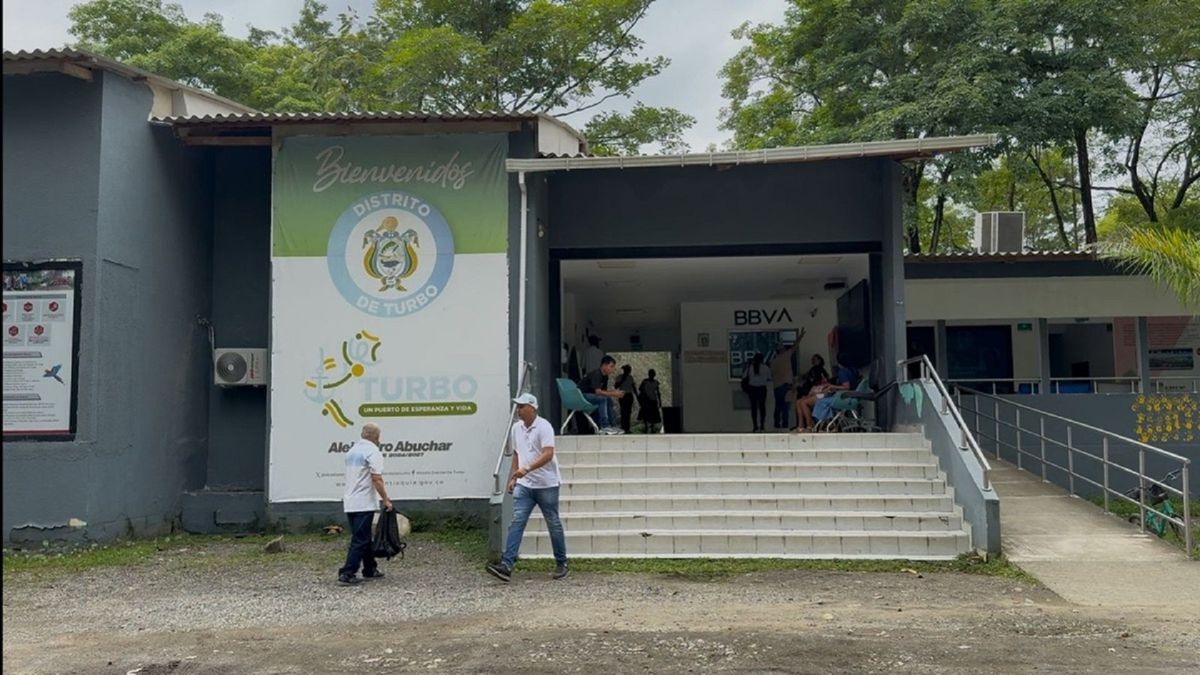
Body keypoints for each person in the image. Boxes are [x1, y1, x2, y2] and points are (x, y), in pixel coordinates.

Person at [487, 393, 568, 582]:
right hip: (525, 484)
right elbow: (516, 453)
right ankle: (507, 565)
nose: (518, 410)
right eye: (518, 406)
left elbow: (548, 454)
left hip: (547, 484)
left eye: (522, 406)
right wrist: (514, 476)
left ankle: (562, 562)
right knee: (517, 521)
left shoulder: (544, 427)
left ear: (532, 408)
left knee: (553, 522)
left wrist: (527, 469)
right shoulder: (516, 428)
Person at [337, 423, 392, 586]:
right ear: (377, 437)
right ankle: (347, 573)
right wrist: (386, 499)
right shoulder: (373, 452)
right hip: (363, 501)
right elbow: (377, 478)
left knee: (364, 537)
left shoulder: (352, 451)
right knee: (360, 539)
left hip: (350, 500)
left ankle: (370, 568)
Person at [580, 355, 625, 434]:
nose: (613, 369)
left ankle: (613, 425)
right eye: (611, 366)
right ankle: (605, 426)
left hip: (592, 396)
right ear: (604, 365)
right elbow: (598, 392)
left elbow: (603, 391)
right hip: (582, 396)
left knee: (608, 400)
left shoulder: (605, 377)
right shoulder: (597, 374)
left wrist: (614, 392)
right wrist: (614, 393)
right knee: (602, 399)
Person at [769, 341, 798, 430]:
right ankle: (785, 425)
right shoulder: (785, 356)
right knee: (786, 406)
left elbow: (772, 375)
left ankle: (777, 424)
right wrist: (801, 336)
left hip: (777, 387)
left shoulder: (773, 362)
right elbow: (794, 346)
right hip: (786, 386)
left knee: (778, 406)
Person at [743, 353, 771, 432]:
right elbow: (769, 377)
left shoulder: (750, 367)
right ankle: (762, 426)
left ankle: (755, 426)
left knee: (754, 408)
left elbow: (744, 376)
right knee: (762, 407)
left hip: (752, 389)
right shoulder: (765, 368)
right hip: (762, 389)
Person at [637, 369, 663, 433]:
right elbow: (658, 393)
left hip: (648, 400)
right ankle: (650, 427)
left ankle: (648, 427)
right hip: (650, 399)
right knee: (651, 413)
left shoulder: (646, 381)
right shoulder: (654, 382)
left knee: (647, 413)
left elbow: (640, 389)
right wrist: (660, 401)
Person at [614, 364, 637, 433]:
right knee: (623, 411)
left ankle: (627, 428)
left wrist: (637, 396)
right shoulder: (619, 377)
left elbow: (633, 387)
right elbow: (616, 386)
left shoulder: (630, 377)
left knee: (628, 412)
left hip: (629, 395)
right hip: (622, 395)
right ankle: (623, 427)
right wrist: (622, 380)